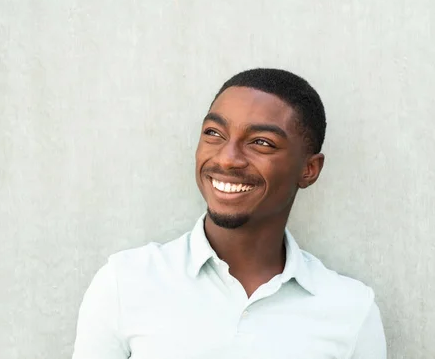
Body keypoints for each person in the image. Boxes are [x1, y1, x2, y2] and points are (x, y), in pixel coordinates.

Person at [72, 68, 386, 359]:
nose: (227, 159)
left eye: (261, 142)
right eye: (214, 133)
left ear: (309, 169)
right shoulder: (124, 283)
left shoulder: (351, 310)